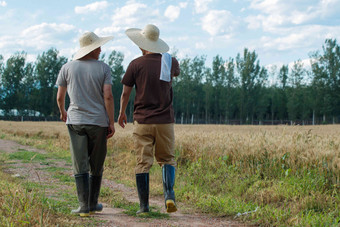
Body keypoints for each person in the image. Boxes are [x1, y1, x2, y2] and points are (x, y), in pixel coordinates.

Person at [118, 24, 180, 214]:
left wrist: (121, 112)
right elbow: (174, 74)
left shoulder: (135, 64)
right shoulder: (170, 61)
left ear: (142, 45)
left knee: (143, 162)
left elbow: (125, 93)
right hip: (165, 122)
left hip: (143, 121)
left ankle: (144, 206)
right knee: (167, 158)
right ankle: (169, 195)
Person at [56, 31, 115, 217]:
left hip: (75, 121)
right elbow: (108, 96)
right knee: (96, 164)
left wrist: (63, 111)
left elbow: (60, 96)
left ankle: (83, 207)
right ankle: (92, 203)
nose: (100, 49)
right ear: (91, 48)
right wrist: (110, 122)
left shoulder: (67, 67)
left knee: (79, 163)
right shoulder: (104, 68)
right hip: (98, 122)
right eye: (98, 46)